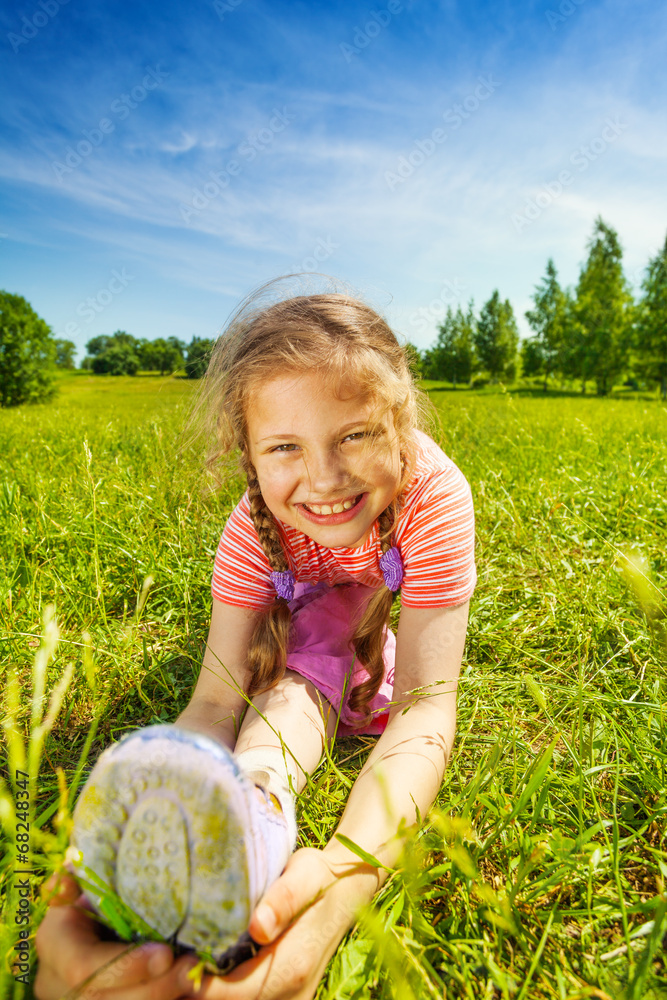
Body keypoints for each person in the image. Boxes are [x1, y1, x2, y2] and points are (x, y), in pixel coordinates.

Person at [35, 282, 476, 999]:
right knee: (299, 671)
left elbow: (426, 711)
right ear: (246, 452)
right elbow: (212, 704)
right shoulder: (251, 531)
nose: (324, 478)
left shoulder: (433, 498)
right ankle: (256, 801)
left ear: (399, 425)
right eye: (283, 447)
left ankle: (261, 806)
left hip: (374, 593)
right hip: (297, 605)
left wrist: (342, 880)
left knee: (356, 662)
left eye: (354, 434)